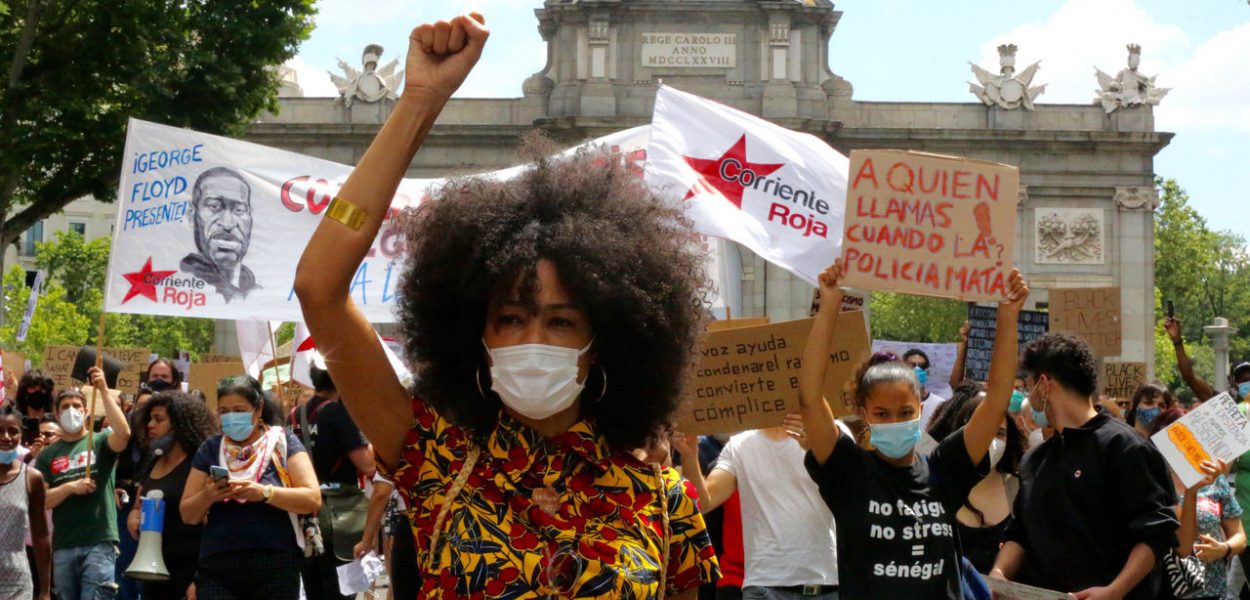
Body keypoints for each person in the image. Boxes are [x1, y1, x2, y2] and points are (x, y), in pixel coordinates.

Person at [293, 12, 719, 598]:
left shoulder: (658, 490)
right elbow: (319, 287)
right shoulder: (434, 455)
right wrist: (420, 101)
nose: (531, 339)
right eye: (510, 318)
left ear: (604, 345)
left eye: (561, 320)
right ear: (477, 334)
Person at [799, 259, 1029, 599]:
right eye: (882, 413)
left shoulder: (944, 468)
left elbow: (996, 401)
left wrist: (1007, 316)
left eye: (905, 411)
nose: (895, 421)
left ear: (921, 408)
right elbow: (809, 399)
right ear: (863, 414)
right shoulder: (848, 472)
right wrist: (830, 305)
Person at [990, 332, 1179, 599]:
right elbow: (1019, 532)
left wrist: (1115, 591)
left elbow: (1157, 534)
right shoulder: (1035, 460)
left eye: (1028, 385)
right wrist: (1000, 574)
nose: (1027, 395)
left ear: (1043, 384)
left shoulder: (1125, 447)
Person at [181, 377, 321, 600]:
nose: (231, 416)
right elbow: (188, 514)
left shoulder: (283, 442)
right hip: (218, 566)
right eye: (224, 411)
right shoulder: (210, 448)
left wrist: (265, 493)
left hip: (275, 564)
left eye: (239, 410)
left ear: (258, 410)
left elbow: (312, 498)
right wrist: (208, 495)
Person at [676, 419, 840, 599]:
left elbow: (853, 488)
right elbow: (703, 502)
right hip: (764, 585)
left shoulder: (831, 432)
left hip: (825, 583)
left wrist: (820, 446)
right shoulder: (739, 445)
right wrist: (690, 455)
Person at [34, 368, 131, 600]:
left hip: (100, 541)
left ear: (86, 411)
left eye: (77, 406)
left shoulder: (99, 442)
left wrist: (104, 390)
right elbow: (40, 501)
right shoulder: (48, 456)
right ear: (56, 415)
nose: (71, 411)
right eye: (65, 407)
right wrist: (70, 488)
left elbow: (124, 434)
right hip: (64, 545)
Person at [127, 391, 217, 600]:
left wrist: (199, 579)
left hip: (190, 569)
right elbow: (138, 505)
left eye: (158, 419)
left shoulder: (200, 464)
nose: (150, 424)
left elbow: (212, 524)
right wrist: (134, 517)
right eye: (149, 418)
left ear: (179, 423)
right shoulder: (152, 461)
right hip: (154, 569)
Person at [302, 359, 375, 600]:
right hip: (339, 518)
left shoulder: (296, 414)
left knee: (314, 587)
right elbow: (367, 464)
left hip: (304, 513)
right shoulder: (337, 413)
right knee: (340, 589)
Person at [939, 391, 1027, 574]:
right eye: (983, 432)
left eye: (1000, 433)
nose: (991, 441)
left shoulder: (1021, 489)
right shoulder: (938, 486)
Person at [180, 166, 259, 302]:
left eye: (239, 209)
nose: (227, 224)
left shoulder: (260, 295)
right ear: (192, 216)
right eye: (214, 207)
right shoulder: (179, 283)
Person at [0, 404, 52, 600]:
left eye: (13, 431)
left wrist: (45, 590)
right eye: (0, 431)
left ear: (21, 436)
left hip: (18, 584)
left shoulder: (32, 478)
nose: (6, 437)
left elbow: (40, 535)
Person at [1165, 316, 1250, 402]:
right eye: (1244, 380)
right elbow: (1190, 378)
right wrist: (1177, 342)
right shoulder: (1223, 405)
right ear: (1232, 383)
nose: (1248, 384)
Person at [905, 349, 948, 430]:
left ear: (927, 372)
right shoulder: (894, 403)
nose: (917, 369)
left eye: (922, 366)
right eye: (912, 365)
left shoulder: (940, 404)